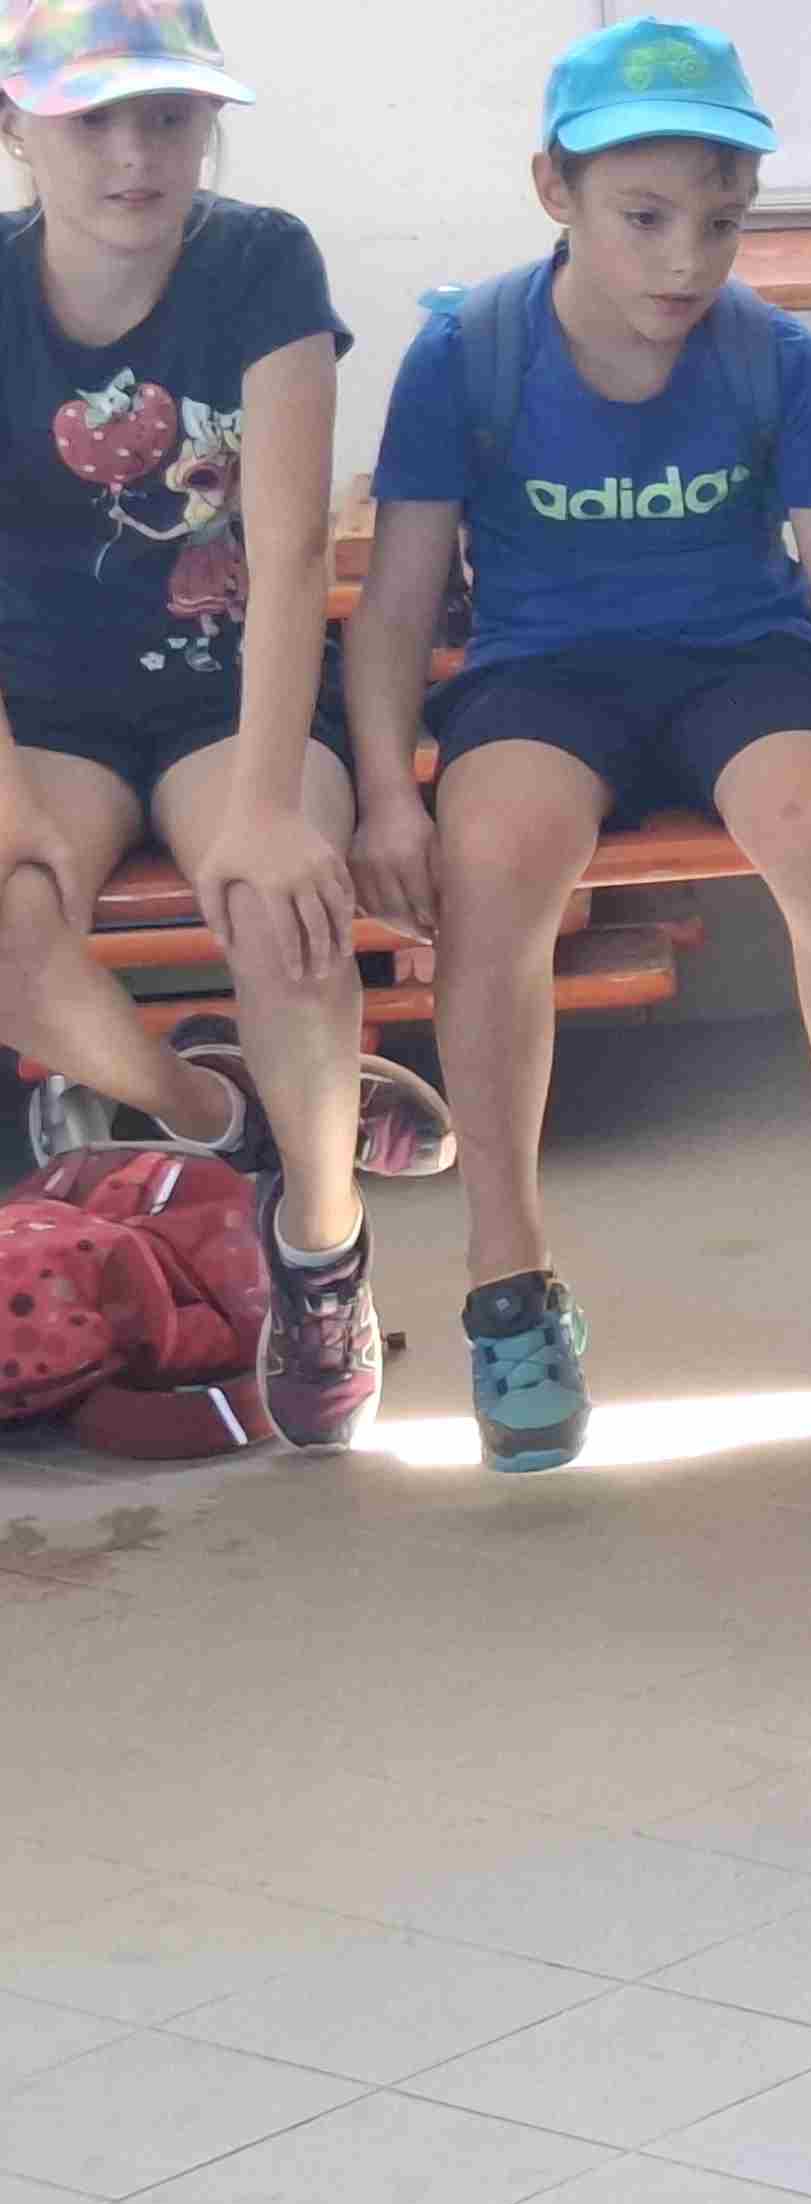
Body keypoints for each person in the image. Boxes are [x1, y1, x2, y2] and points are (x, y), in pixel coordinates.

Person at [344, 16, 811, 1475]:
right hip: (546, 678)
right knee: (494, 854)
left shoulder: (772, 359)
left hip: (740, 664)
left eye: (722, 221)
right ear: (554, 190)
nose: (688, 259)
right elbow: (398, 603)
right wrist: (383, 791)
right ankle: (509, 1283)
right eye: (646, 218)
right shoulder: (468, 353)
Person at [0, 0, 411, 1447]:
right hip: (46, 711)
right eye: (92, 120)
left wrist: (266, 803)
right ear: (15, 128)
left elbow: (292, 549)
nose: (134, 154)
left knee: (278, 902)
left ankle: (321, 1249)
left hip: (230, 688)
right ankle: (207, 1111)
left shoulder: (260, 261)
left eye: (168, 117)